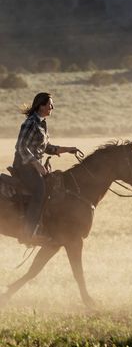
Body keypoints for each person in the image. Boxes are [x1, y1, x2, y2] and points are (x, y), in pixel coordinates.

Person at [13, 92, 78, 242]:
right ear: (41, 106)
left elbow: (46, 147)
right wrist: (36, 164)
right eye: (50, 105)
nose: (52, 107)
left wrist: (68, 149)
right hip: (24, 166)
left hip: (33, 166)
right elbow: (21, 146)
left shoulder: (41, 123)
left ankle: (42, 226)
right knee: (39, 190)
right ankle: (28, 233)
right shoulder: (30, 123)